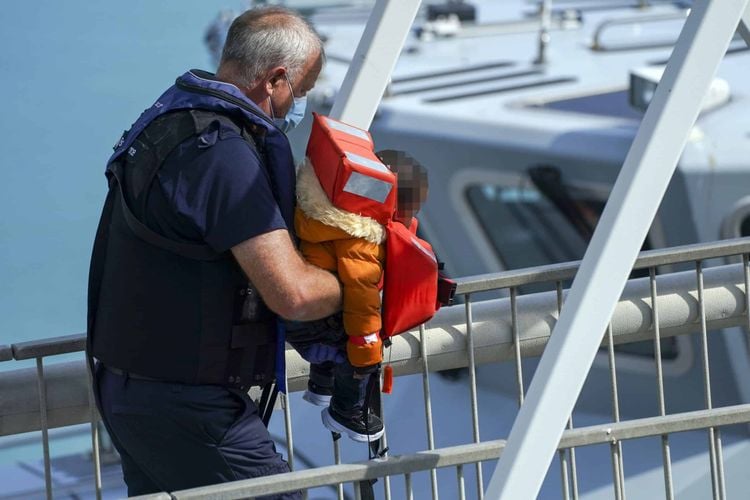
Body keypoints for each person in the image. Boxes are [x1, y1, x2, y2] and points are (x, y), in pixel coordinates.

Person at [86, 7, 342, 498]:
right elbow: (292, 295)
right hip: (187, 403)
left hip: (132, 388)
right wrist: (367, 285)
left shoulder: (170, 122)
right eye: (301, 93)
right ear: (276, 79)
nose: (298, 106)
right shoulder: (220, 152)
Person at [285, 150, 429, 442]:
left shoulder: (323, 212)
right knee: (359, 352)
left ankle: (321, 386)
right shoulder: (362, 239)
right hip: (310, 323)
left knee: (338, 329)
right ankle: (346, 413)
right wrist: (368, 349)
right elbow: (360, 299)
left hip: (298, 311)